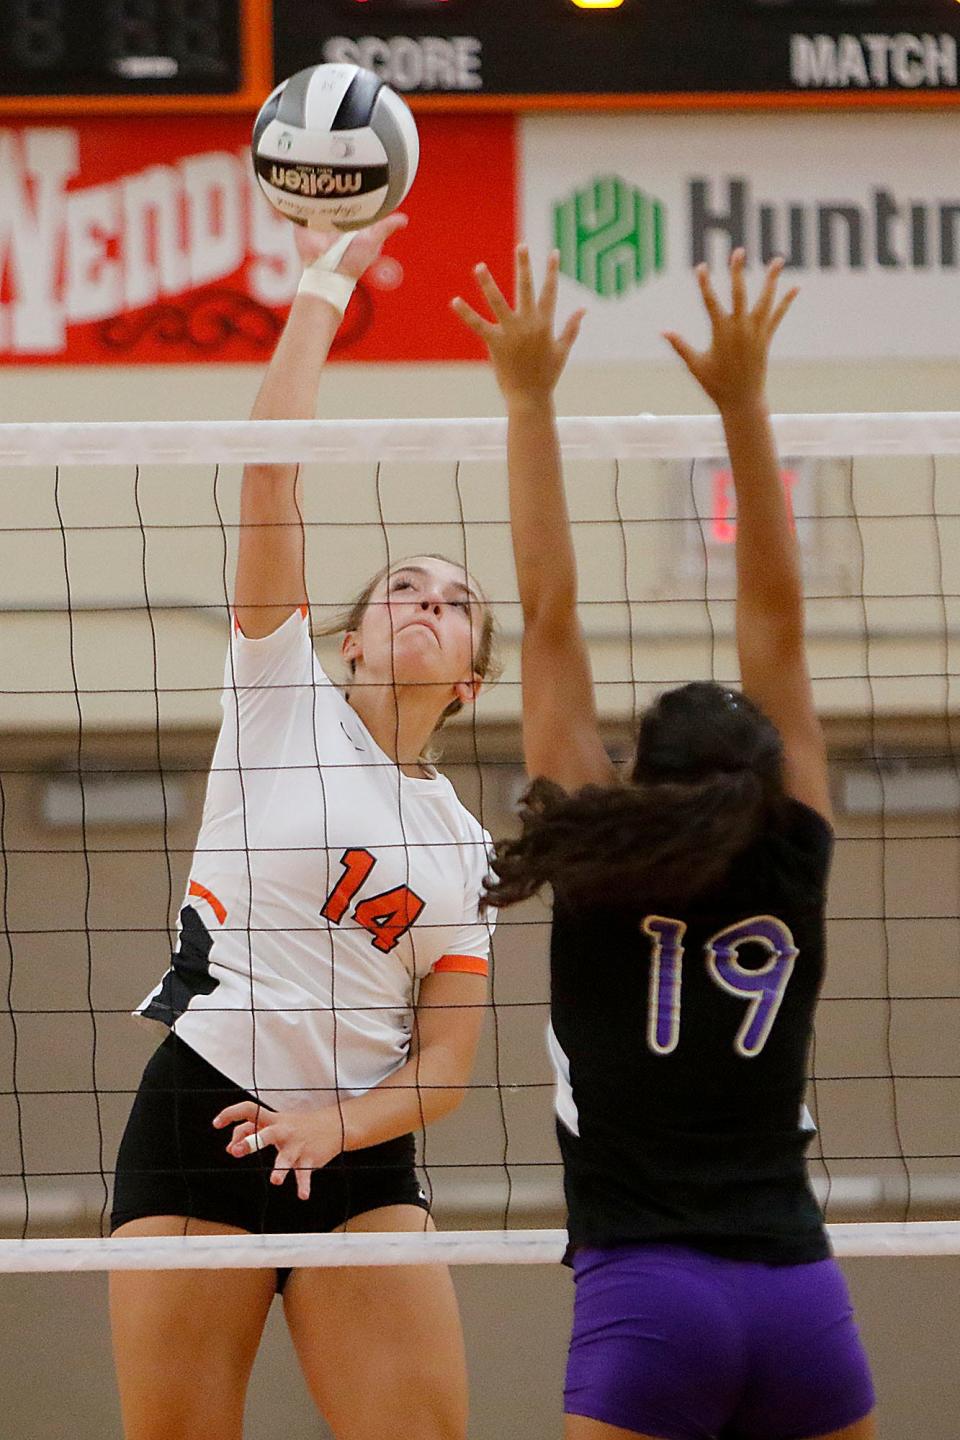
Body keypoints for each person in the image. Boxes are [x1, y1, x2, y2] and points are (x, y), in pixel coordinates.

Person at [453, 247, 876, 1440]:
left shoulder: (590, 846)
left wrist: (528, 399)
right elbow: (778, 624)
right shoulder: (793, 851)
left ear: (633, 773)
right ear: (769, 777)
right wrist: (745, 403)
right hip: (803, 1296)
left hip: (648, 1300)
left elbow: (544, 615)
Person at [110, 215, 497, 1440]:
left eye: (456, 602)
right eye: (404, 589)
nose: (428, 605)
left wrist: (340, 1126)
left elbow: (443, 1066)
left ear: (473, 678)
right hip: (202, 1117)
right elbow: (268, 469)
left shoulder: (467, 849)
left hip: (357, 1147)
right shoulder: (281, 699)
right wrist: (327, 280)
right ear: (352, 639)